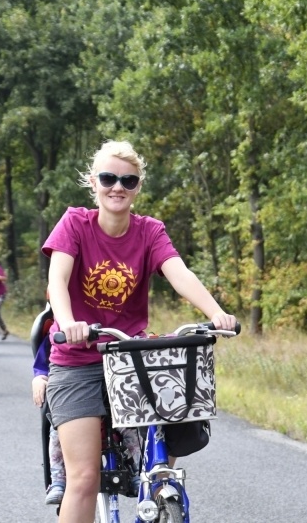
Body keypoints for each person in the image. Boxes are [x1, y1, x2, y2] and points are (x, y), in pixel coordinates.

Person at [38, 140, 237, 521]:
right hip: (77, 359)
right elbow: (58, 280)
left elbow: (179, 272)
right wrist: (68, 324)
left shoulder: (149, 231)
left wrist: (216, 312)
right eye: (109, 178)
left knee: (176, 416)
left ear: (138, 187)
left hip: (130, 358)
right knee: (83, 479)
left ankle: (159, 493)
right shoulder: (75, 224)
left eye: (128, 181)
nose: (118, 187)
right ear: (93, 182)